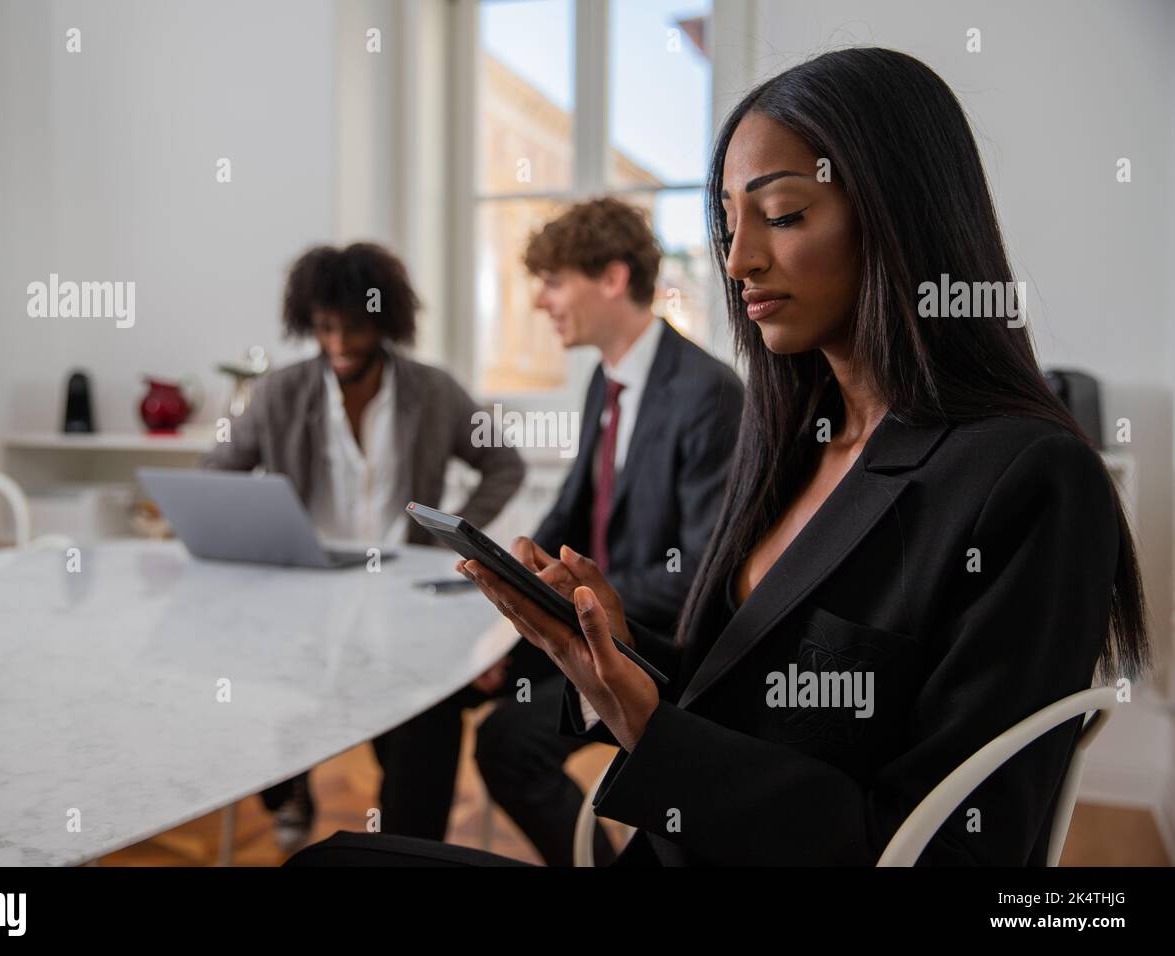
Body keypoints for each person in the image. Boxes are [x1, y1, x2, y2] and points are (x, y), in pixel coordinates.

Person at [287, 47, 1150, 866]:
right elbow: (744, 690)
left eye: (782, 215)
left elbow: (945, 852)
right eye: (728, 222)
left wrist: (644, 720)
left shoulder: (1030, 482)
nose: (738, 260)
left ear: (903, 213)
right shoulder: (792, 442)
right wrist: (617, 655)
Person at [201, 241, 525, 850]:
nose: (341, 344)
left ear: (384, 321)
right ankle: (286, 784)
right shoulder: (279, 393)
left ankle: (409, 848)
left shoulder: (433, 391)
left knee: (425, 721)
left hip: (405, 590)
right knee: (254, 687)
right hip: (306, 591)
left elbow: (504, 465)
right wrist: (261, 527)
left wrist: (449, 535)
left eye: (354, 328)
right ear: (309, 323)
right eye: (325, 329)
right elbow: (217, 472)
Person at [472, 197, 743, 865]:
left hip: (651, 649)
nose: (541, 301)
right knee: (438, 684)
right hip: (590, 620)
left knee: (508, 742)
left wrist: (558, 604)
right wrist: (512, 578)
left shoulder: (707, 393)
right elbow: (570, 509)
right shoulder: (607, 378)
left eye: (555, 280)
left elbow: (701, 574)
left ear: (614, 279)